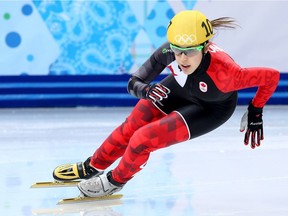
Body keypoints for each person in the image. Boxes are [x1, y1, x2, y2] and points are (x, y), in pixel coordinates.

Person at [52, 10, 280, 197]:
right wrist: (147, 90)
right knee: (131, 126)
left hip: (210, 108)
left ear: (206, 46)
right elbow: (134, 82)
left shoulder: (228, 74)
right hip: (178, 90)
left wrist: (256, 110)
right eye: (178, 51)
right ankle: (93, 165)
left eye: (190, 51)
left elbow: (271, 77)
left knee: (142, 139)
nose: (182, 58)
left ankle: (114, 181)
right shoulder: (169, 50)